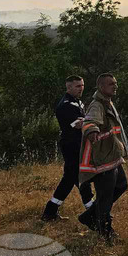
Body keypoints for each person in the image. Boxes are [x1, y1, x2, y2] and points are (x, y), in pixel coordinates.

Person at [78, 73, 128, 242]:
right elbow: (89, 121)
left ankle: (89, 217)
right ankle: (106, 232)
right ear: (101, 87)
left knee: (121, 185)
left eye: (115, 83)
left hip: (112, 155)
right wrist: (91, 130)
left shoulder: (108, 102)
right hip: (103, 160)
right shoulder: (97, 105)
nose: (115, 86)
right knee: (105, 196)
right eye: (111, 84)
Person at [41, 75, 96, 223]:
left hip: (78, 144)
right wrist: (93, 119)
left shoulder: (77, 102)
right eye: (78, 86)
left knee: (75, 177)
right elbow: (79, 124)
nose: (81, 88)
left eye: (82, 85)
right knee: (76, 176)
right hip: (71, 145)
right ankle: (91, 209)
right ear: (69, 87)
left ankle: (51, 211)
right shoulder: (65, 105)